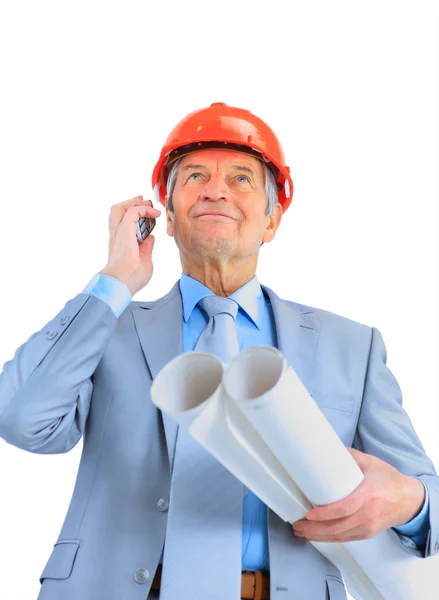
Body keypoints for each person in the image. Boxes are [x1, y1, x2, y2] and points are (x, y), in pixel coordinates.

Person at [0, 102, 437, 600]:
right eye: (194, 176)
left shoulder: (351, 348)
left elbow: (429, 498)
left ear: (272, 221)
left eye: (242, 178)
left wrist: (411, 500)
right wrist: (114, 281)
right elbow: (20, 418)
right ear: (166, 214)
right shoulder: (105, 331)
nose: (215, 189)